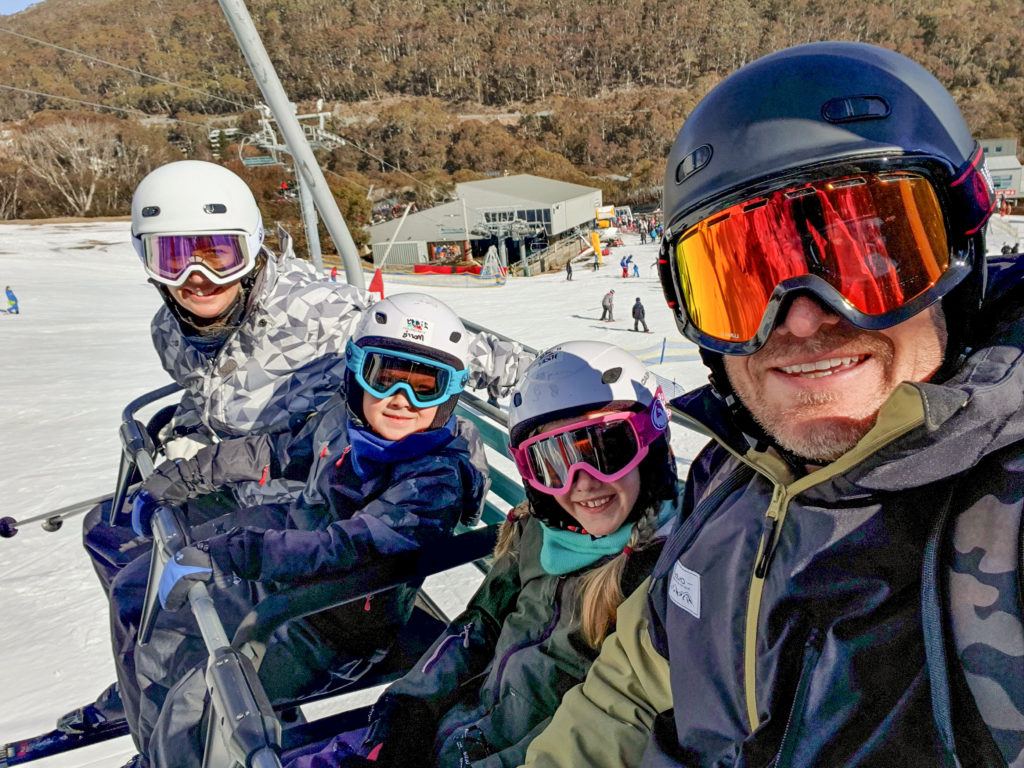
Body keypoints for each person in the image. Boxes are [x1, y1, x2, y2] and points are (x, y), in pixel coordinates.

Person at [521, 41, 1023, 767]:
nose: (799, 320)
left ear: (961, 253)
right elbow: (628, 694)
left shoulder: (1001, 514)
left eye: (866, 257)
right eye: (740, 280)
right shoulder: (726, 481)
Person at [63, 160, 371, 737]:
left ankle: (174, 707)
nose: (197, 276)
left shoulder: (325, 316)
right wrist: (184, 428)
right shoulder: (169, 330)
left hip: (303, 509)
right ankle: (149, 670)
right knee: (106, 529)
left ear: (251, 248)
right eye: (173, 257)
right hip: (233, 487)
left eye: (218, 254)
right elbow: (213, 395)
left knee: (146, 590)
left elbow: (438, 352)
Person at [114, 293, 489, 766]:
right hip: (285, 577)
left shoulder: (433, 479)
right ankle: (156, 748)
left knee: (199, 703)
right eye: (385, 378)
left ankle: (173, 749)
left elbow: (348, 548)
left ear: (450, 394)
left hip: (333, 618)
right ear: (356, 373)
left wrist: (237, 555)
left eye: (425, 387)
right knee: (142, 598)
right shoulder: (344, 419)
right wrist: (189, 476)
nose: (402, 401)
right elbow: (275, 452)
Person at [283, 341, 679, 768]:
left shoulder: (656, 580)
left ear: (651, 444)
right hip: (452, 731)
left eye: (606, 450)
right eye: (550, 463)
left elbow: (600, 733)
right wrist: (410, 712)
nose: (580, 482)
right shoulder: (538, 533)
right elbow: (479, 625)